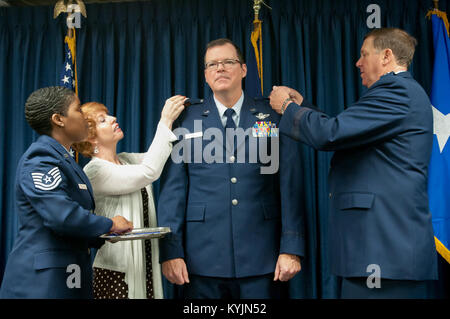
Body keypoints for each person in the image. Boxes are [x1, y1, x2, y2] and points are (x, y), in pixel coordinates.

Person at [269, 28, 438, 298]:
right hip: (381, 256)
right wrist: (303, 106)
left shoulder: (396, 91)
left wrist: (287, 107)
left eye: (363, 54)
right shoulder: (399, 93)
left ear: (386, 56)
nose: (357, 63)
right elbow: (347, 132)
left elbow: (330, 134)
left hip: (385, 257)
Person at [157, 38, 305, 299]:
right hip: (200, 261)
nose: (220, 68)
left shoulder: (272, 115)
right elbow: (173, 192)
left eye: (228, 62)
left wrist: (290, 248)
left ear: (244, 69)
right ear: (205, 74)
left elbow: (290, 186)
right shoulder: (185, 119)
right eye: (212, 64)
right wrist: (171, 251)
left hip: (263, 258)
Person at [0, 86, 133, 299]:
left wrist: (104, 234)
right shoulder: (41, 159)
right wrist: (110, 224)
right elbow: (62, 217)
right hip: (42, 285)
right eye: (78, 110)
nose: (84, 117)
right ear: (58, 119)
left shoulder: (64, 159)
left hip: (69, 277)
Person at [72, 95, 186, 299]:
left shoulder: (127, 161)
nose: (113, 118)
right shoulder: (95, 171)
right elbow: (149, 171)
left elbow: (161, 155)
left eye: (108, 115)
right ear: (90, 137)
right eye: (102, 119)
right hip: (116, 273)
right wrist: (166, 119)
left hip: (145, 268)